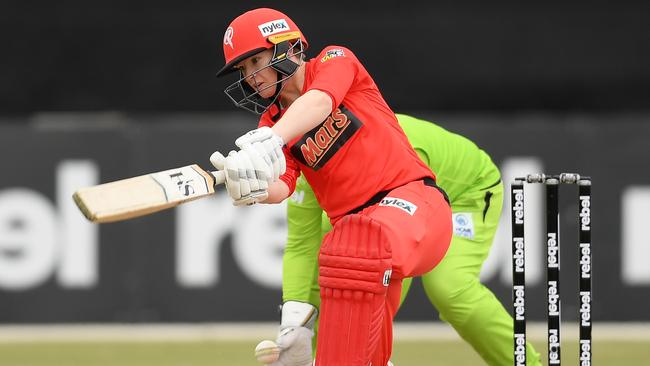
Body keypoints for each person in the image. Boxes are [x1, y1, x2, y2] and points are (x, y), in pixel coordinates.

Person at [212, 8, 452, 366]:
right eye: (243, 71)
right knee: (351, 341)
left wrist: (271, 140)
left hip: (414, 204)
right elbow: (283, 186)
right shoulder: (273, 121)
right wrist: (251, 187)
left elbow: (321, 101)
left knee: (350, 248)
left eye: (255, 61)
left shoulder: (334, 60)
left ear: (286, 47)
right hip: (363, 252)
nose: (251, 78)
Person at [266, 114, 543, 366]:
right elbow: (302, 246)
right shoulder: (307, 169)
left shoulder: (380, 147)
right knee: (337, 246)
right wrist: (295, 329)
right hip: (399, 211)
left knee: (449, 289)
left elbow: (388, 263)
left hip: (466, 192)